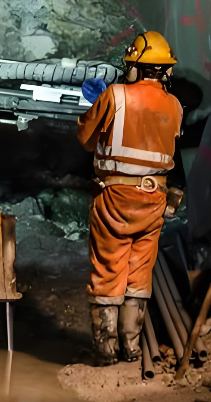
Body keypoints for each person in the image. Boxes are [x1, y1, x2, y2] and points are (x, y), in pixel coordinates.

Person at [76, 31, 184, 364]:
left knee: (109, 267)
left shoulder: (115, 95)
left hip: (115, 198)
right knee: (140, 271)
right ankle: (133, 347)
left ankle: (106, 349)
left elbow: (85, 139)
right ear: (165, 71)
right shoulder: (175, 105)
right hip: (155, 200)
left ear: (134, 67)